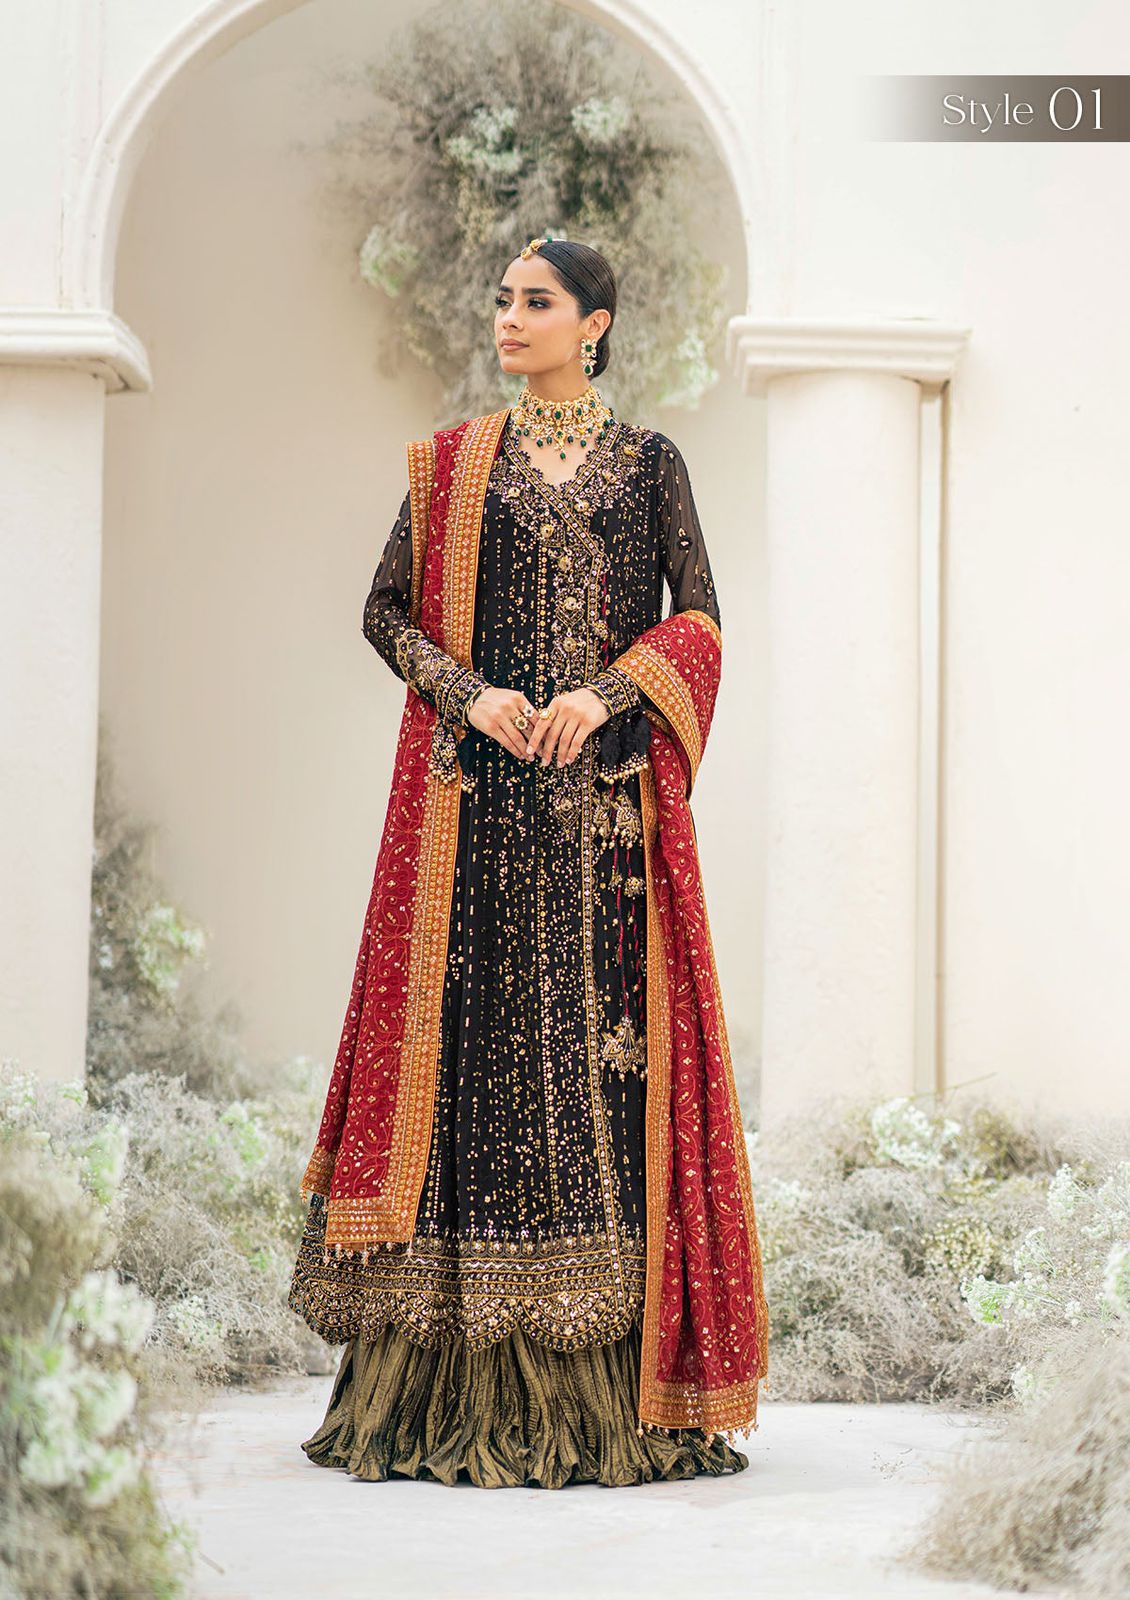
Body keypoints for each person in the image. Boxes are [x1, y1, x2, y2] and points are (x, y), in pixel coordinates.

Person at [288, 237, 769, 1489]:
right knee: (474, 1072)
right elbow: (383, 608)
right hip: (478, 819)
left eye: (535, 301)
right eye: (501, 298)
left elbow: (700, 620)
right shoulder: (456, 464)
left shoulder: (650, 464)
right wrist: (477, 694)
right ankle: (432, 1399)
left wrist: (605, 697)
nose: (508, 316)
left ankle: (605, 1405)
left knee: (590, 1080)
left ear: (593, 324)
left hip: (601, 840)